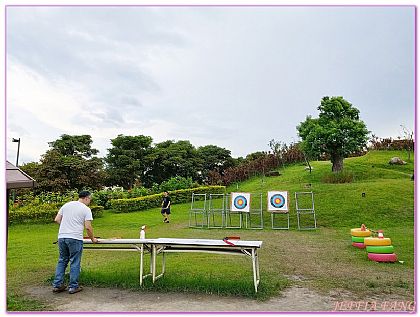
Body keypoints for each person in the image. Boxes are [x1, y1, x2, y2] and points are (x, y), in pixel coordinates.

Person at [52, 190, 98, 294]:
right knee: (75, 261)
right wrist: (92, 239)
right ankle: (73, 286)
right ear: (86, 198)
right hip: (75, 238)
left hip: (62, 237)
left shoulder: (67, 205)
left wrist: (66, 227)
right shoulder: (86, 209)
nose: (90, 201)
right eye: (90, 199)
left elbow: (57, 219)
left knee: (62, 260)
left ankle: (57, 285)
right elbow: (88, 227)